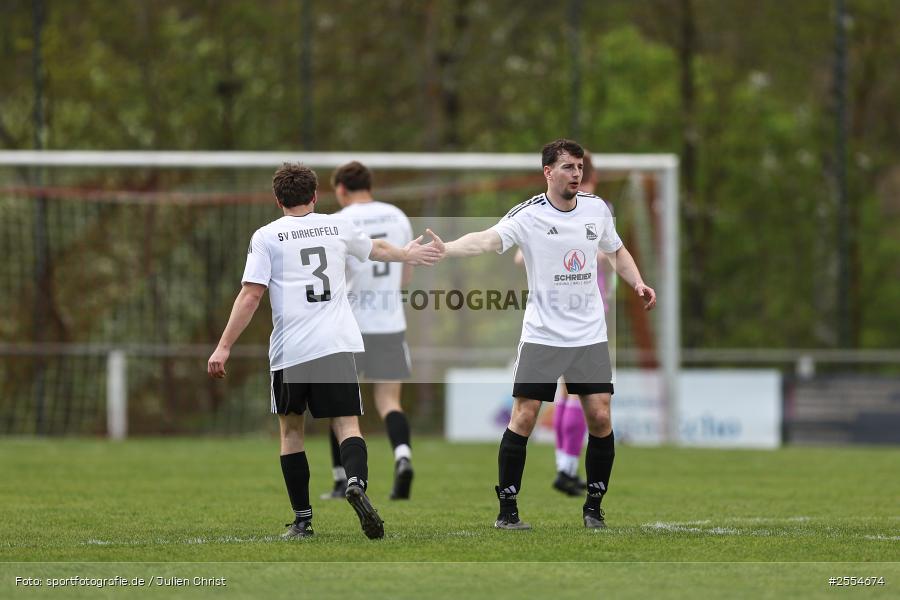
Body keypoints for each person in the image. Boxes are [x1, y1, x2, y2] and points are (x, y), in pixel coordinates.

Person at [431, 139, 656, 530]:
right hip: (543, 335)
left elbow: (616, 251)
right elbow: (487, 239)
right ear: (548, 172)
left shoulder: (596, 209)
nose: (576, 174)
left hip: (589, 335)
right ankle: (507, 512)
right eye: (568, 167)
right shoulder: (529, 215)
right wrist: (446, 248)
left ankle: (593, 508)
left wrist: (637, 282)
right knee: (525, 416)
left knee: (601, 417)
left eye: (580, 167)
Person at [207, 163, 440, 540]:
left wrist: (224, 345)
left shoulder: (266, 236)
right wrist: (406, 255)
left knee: (292, 432)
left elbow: (251, 295)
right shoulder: (337, 225)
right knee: (348, 424)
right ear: (315, 196)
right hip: (336, 344)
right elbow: (376, 249)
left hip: (292, 350)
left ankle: (302, 520)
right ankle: (356, 481)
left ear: (278, 198)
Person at [320, 161, 417, 501]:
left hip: (350, 326)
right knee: (389, 401)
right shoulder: (397, 216)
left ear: (341, 189)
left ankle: (339, 479)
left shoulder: (337, 221)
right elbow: (405, 275)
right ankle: (403, 456)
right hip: (390, 324)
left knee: (340, 406)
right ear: (369, 185)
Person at [514, 151, 604, 497]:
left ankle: (564, 465)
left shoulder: (572, 208)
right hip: (584, 309)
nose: (575, 175)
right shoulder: (595, 206)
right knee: (581, 394)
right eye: (572, 168)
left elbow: (522, 254)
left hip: (563, 309)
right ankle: (566, 466)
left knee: (568, 392)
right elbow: (608, 253)